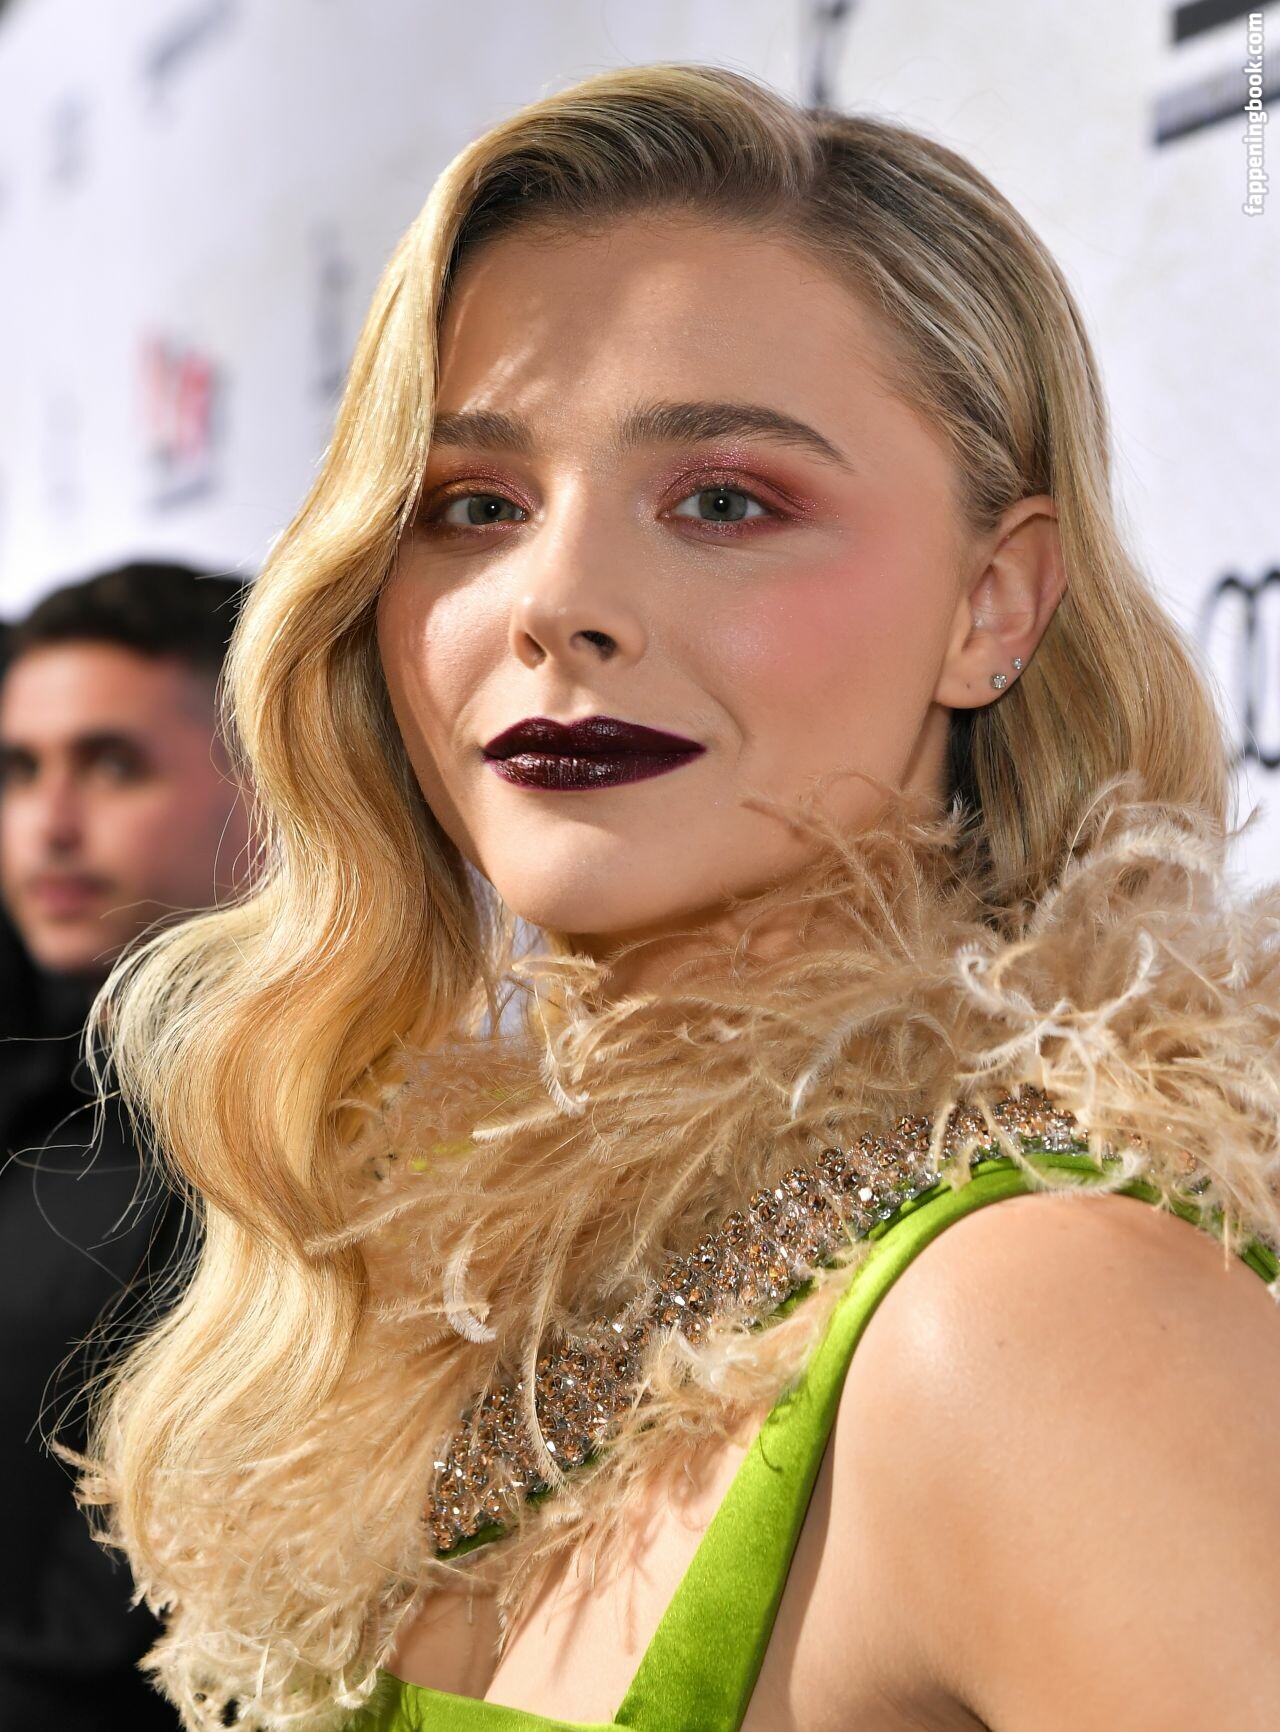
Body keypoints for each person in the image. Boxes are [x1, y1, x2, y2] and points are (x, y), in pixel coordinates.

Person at [82, 66, 1280, 1732]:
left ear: (993, 606)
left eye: (725, 501)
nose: (559, 600)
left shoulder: (1043, 1319)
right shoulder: (469, 1302)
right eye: (474, 507)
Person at [0, 560, 250, 1731]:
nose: (49, 825)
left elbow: (111, 1647)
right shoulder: (37, 1091)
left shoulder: (296, 1156)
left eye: (114, 765)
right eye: (19, 769)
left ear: (271, 784)